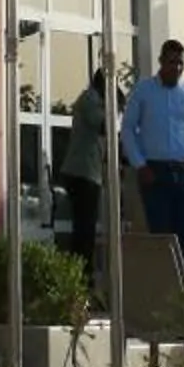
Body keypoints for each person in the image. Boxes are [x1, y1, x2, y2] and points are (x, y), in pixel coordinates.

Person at [121, 38, 184, 260]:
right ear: (161, 61)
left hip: (183, 170)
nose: (176, 68)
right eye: (172, 62)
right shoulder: (144, 90)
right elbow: (128, 129)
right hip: (154, 172)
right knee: (162, 238)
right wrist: (140, 165)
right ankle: (163, 281)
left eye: (180, 63)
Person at [58, 64, 110, 262]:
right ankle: (81, 271)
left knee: (85, 226)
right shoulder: (90, 98)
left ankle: (81, 269)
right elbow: (104, 125)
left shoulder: (93, 99)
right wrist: (114, 109)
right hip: (82, 173)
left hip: (87, 172)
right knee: (84, 228)